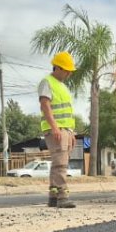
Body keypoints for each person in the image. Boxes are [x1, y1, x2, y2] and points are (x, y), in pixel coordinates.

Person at [37, 51, 77, 208]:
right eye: (67, 70)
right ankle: (62, 196)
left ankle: (53, 196)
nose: (69, 74)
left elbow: (67, 112)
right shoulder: (47, 82)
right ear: (58, 68)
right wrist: (55, 127)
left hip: (65, 130)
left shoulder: (63, 87)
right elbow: (45, 105)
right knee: (60, 163)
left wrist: (71, 132)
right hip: (56, 130)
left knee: (59, 162)